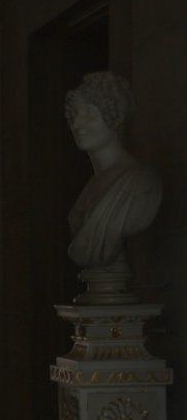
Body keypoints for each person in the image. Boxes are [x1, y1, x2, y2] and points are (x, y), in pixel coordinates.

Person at [65, 72, 162, 274]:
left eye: (90, 114)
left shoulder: (141, 182)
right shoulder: (93, 184)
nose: (76, 124)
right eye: (74, 114)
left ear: (114, 117)